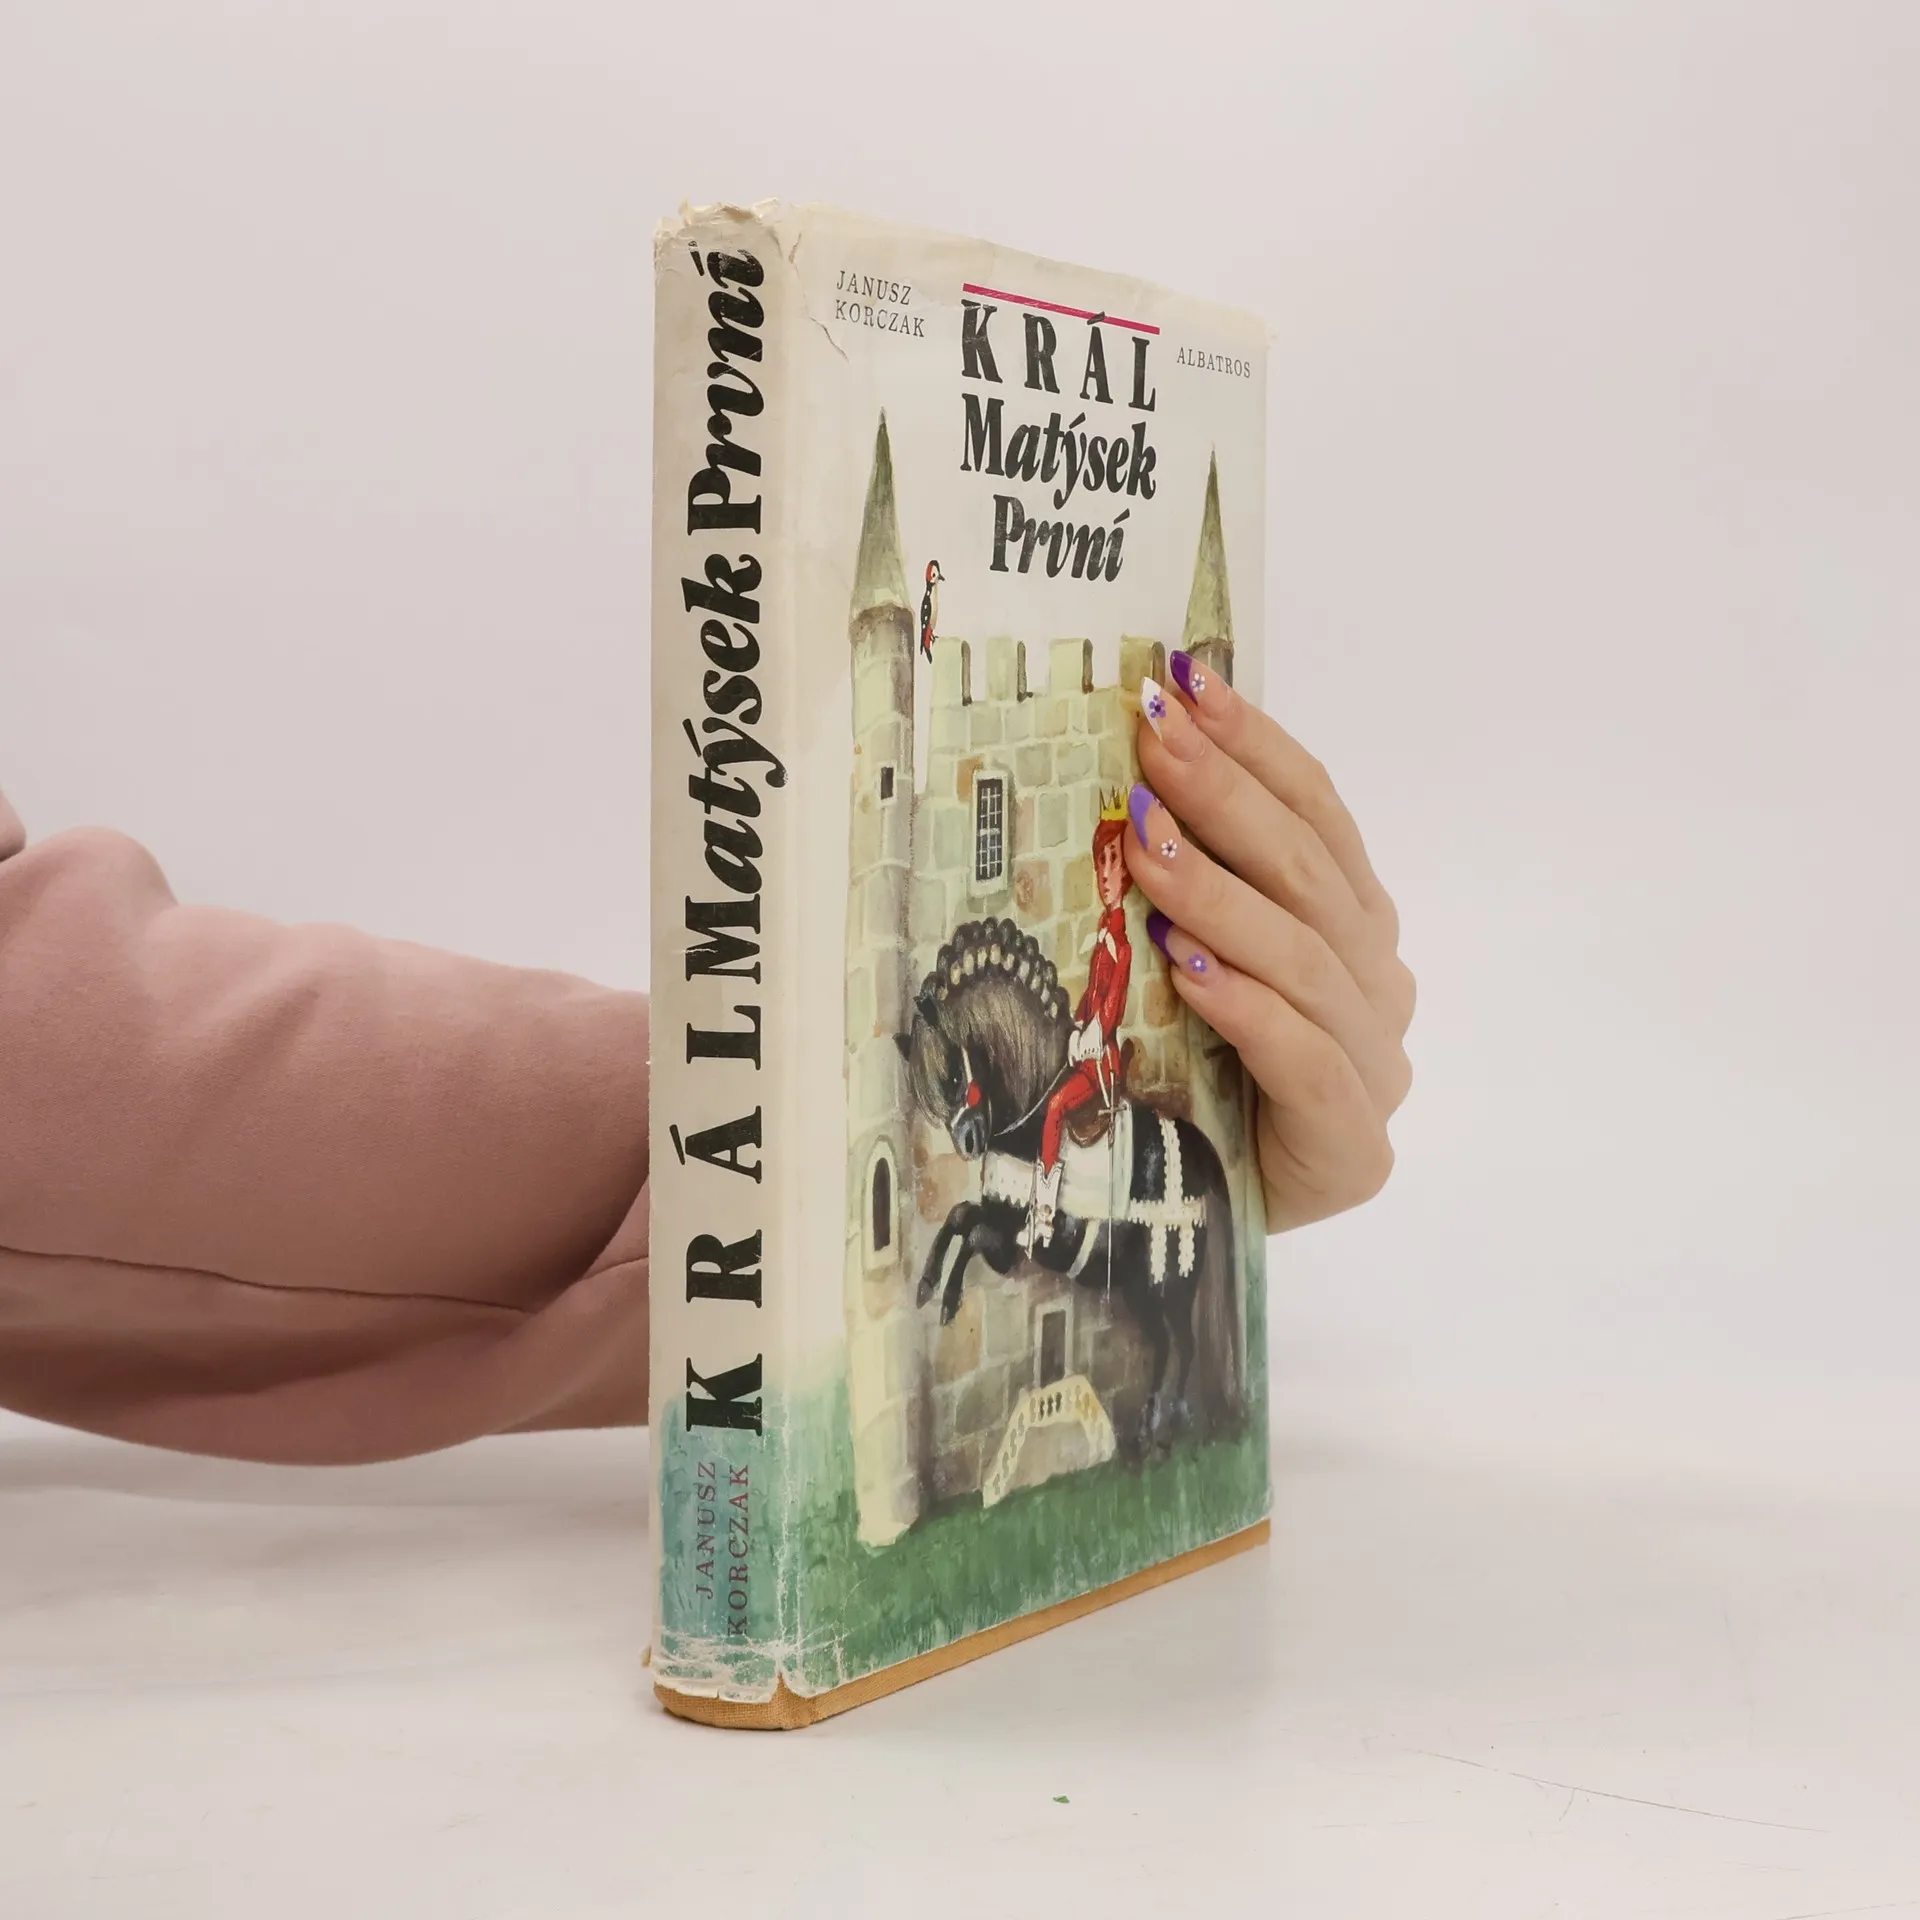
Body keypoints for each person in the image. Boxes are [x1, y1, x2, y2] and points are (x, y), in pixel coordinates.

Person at [0, 648, 1414, 1464]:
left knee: (1080, 1098)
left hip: (1085, 1041)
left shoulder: (1101, 926)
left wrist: (1194, 1063)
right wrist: (823, 1138)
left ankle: (1089, 1197)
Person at [1026, 797, 1135, 1250]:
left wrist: (1093, 1034)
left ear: (1128, 872)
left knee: (1055, 1107)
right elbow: (1092, 996)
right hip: (1085, 1050)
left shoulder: (1121, 946)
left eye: (1114, 860)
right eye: (1101, 862)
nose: (1105, 874)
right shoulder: (1103, 934)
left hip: (1102, 1065)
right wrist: (1075, 1026)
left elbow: (1112, 1006)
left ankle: (1045, 1214)